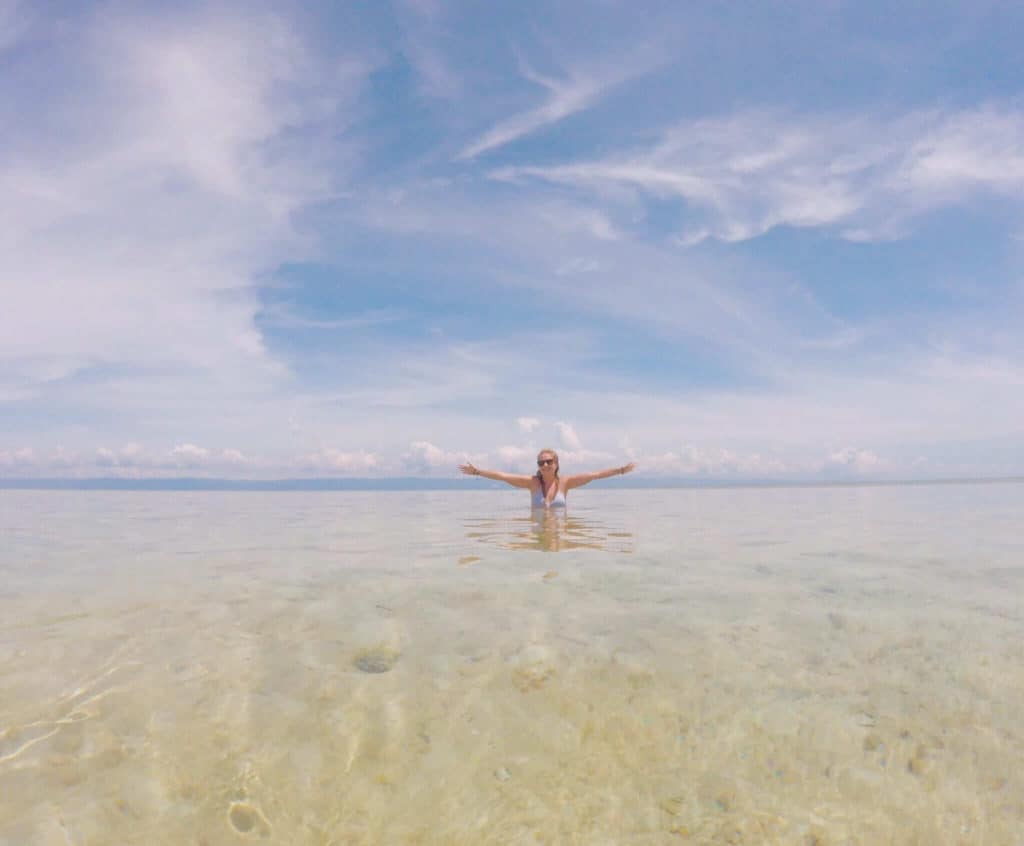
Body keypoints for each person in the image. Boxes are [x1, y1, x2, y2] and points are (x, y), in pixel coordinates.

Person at [458, 449, 636, 508]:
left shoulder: (565, 483)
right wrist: (477, 472)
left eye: (548, 461)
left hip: (560, 531)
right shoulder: (532, 483)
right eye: (541, 462)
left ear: (556, 463)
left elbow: (595, 475)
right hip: (537, 529)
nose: (544, 465)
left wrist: (620, 470)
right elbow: (503, 476)